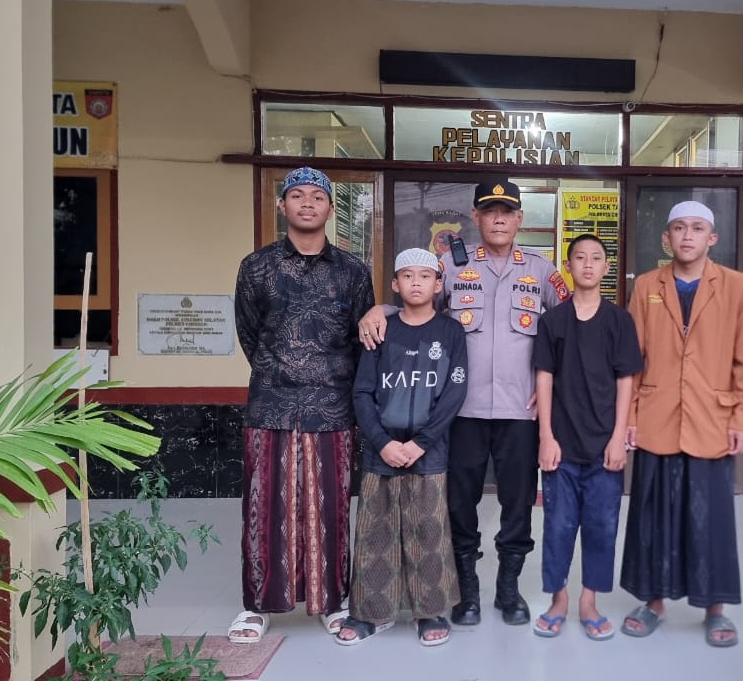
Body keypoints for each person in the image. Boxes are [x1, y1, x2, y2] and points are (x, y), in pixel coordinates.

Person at [358, 180, 568, 627]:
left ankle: (509, 591)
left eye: (507, 212)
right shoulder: (453, 266)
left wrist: (556, 386)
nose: (498, 219)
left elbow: (570, 326)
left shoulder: (541, 269)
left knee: (518, 504)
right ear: (476, 217)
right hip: (460, 412)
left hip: (520, 412)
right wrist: (381, 310)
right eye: (489, 211)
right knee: (459, 504)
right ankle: (466, 592)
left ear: (519, 219)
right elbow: (416, 302)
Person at [230, 166, 375, 644]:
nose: (307, 203)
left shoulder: (353, 272)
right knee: (264, 506)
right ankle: (257, 606)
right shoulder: (257, 267)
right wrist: (280, 372)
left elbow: (363, 339)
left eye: (317, 196)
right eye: (297, 195)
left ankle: (331, 602)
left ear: (331, 208)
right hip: (271, 405)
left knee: (330, 509)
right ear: (282, 205)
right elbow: (249, 333)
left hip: (332, 409)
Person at [619, 200, 743, 648]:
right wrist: (630, 417)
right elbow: (632, 359)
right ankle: (653, 602)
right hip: (657, 416)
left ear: (711, 238)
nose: (687, 236)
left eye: (697, 228)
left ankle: (715, 607)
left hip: (712, 419)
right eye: (679, 228)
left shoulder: (736, 286)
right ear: (667, 238)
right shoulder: (647, 286)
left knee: (710, 516)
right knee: (653, 515)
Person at [339, 248, 469, 647]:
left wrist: (421, 443)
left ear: (438, 284)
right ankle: (369, 612)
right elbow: (362, 392)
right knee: (375, 532)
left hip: (429, 450)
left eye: (425, 276)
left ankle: (429, 611)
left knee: (428, 530)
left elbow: (454, 392)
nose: (416, 283)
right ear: (394, 284)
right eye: (407, 276)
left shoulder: (451, 332)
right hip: (381, 450)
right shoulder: (381, 329)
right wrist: (381, 442)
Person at [531, 233, 642, 641]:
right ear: (568, 266)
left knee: (601, 526)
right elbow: (544, 378)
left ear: (606, 267)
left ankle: (589, 601)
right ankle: (558, 599)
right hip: (561, 446)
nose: (589, 264)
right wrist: (546, 436)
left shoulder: (619, 321)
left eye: (596, 258)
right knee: (558, 526)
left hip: (603, 447)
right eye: (580, 257)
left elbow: (626, 380)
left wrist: (618, 437)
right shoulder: (552, 321)